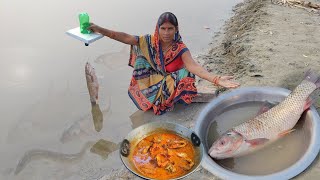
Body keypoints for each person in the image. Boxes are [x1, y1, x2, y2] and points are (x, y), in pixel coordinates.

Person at [88, 12, 240, 115]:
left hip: (170, 80)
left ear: (176, 29)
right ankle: (151, 97)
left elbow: (194, 66)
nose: (166, 33)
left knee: (187, 74)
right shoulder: (148, 42)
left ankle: (168, 99)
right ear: (158, 28)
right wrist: (100, 29)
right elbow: (122, 37)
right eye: (163, 28)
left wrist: (216, 79)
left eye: (170, 29)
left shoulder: (180, 48)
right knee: (141, 59)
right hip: (153, 79)